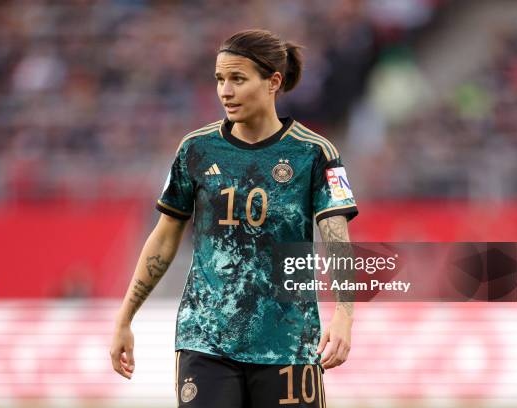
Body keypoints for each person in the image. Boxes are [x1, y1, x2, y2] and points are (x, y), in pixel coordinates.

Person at [110, 29, 358, 408]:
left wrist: (344, 313)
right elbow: (164, 237)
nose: (225, 91)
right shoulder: (196, 149)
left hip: (288, 343)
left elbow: (336, 238)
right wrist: (125, 317)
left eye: (238, 79)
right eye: (220, 80)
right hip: (206, 340)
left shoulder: (314, 152)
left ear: (273, 81)